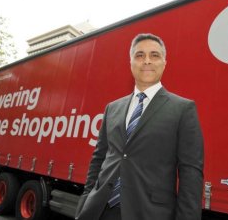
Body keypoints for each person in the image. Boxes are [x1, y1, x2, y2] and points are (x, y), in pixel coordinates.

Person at [75, 33, 204, 220]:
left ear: (164, 63)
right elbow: (99, 158)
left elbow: (191, 173)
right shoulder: (112, 108)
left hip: (149, 213)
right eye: (140, 55)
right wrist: (86, 199)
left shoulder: (183, 109)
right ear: (131, 63)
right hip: (99, 211)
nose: (147, 61)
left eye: (154, 55)